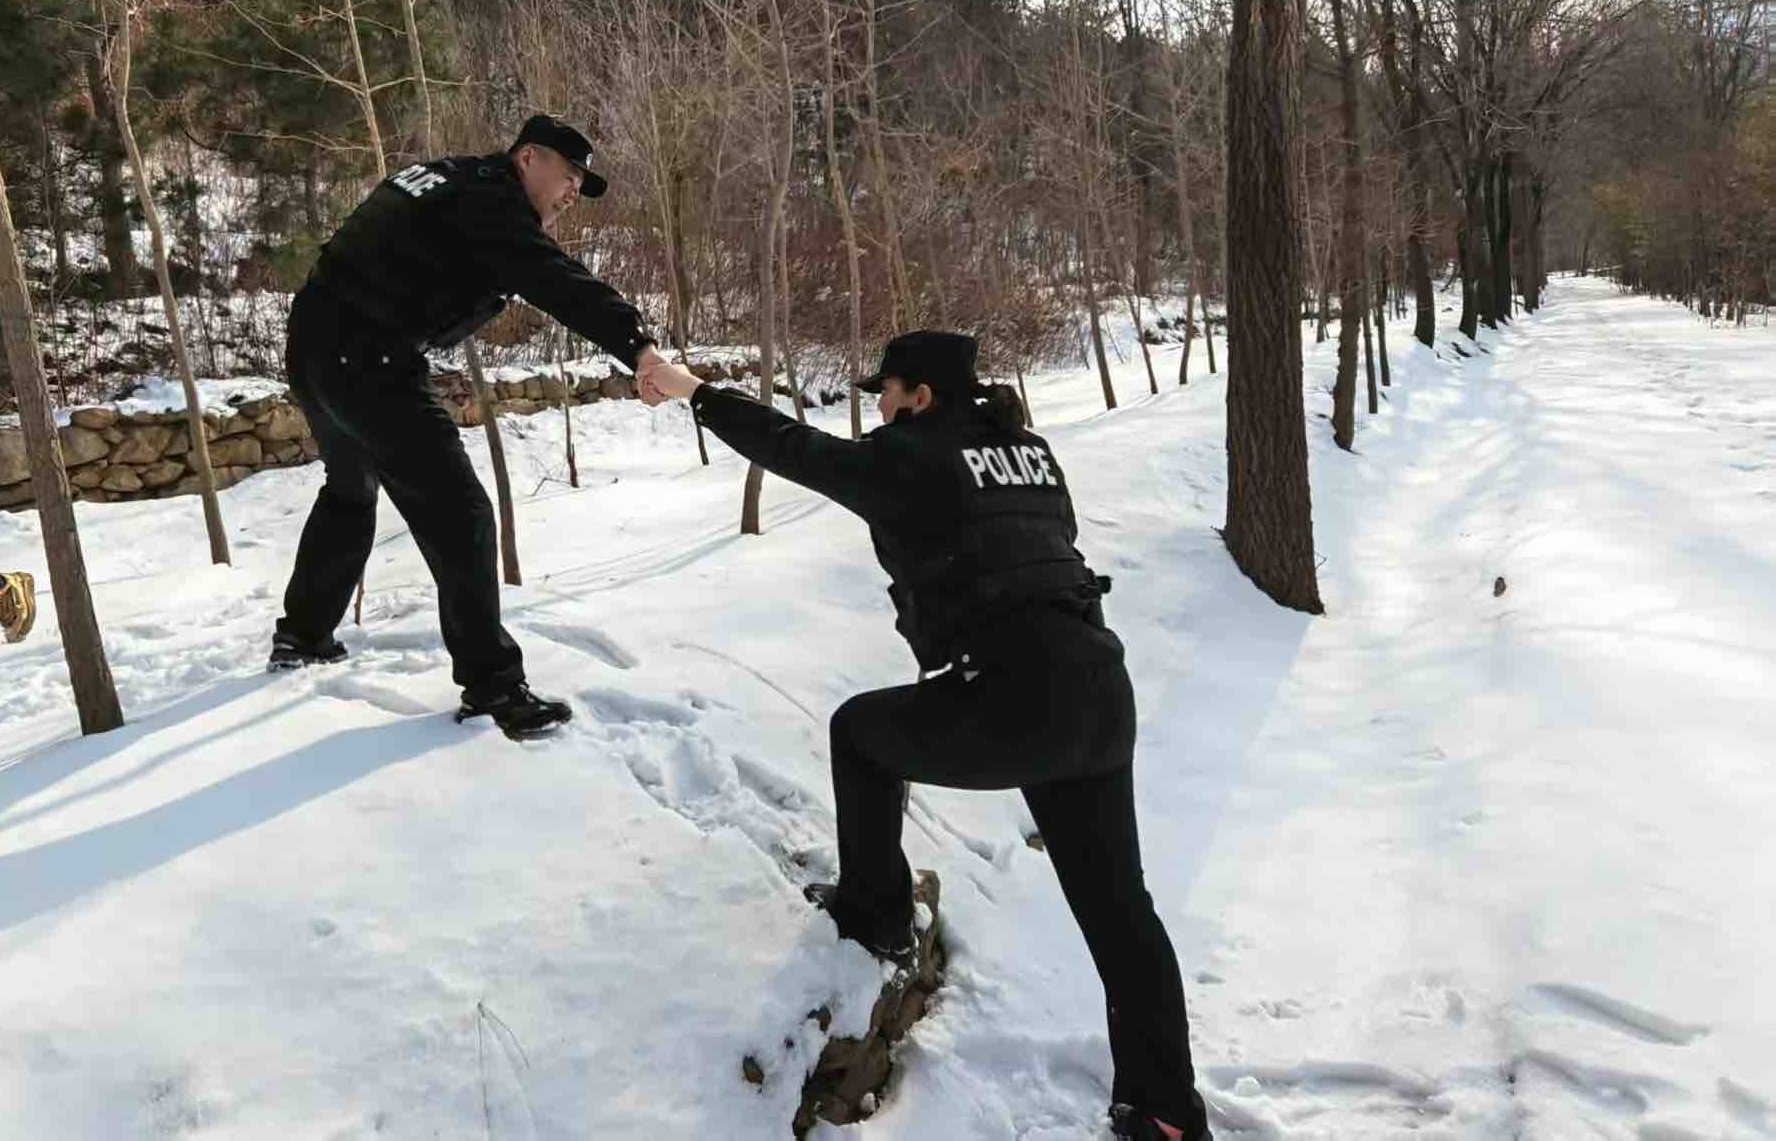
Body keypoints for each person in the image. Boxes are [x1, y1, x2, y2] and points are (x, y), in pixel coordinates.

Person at [640, 333, 1213, 1141]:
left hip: (1016, 696)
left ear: (921, 395)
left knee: (861, 733)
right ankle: (1166, 1113)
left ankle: (876, 913)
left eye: (887, 390)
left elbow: (792, 448)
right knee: (1123, 916)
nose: (878, 405)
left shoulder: (910, 457)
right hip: (1100, 693)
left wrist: (693, 390)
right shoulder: (1031, 452)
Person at [271, 115, 664, 740]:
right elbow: (558, 283)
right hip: (371, 360)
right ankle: (493, 687)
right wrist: (638, 347)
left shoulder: (449, 179)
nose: (570, 193)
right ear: (528, 157)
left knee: (350, 488)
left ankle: (302, 634)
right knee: (463, 516)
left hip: (316, 346)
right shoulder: (491, 203)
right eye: (567, 177)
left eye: (579, 184)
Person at [0, 571, 36, 644]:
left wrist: (12, 634)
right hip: (15, 582)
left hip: (21, 624)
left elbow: (22, 614)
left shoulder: (17, 600)